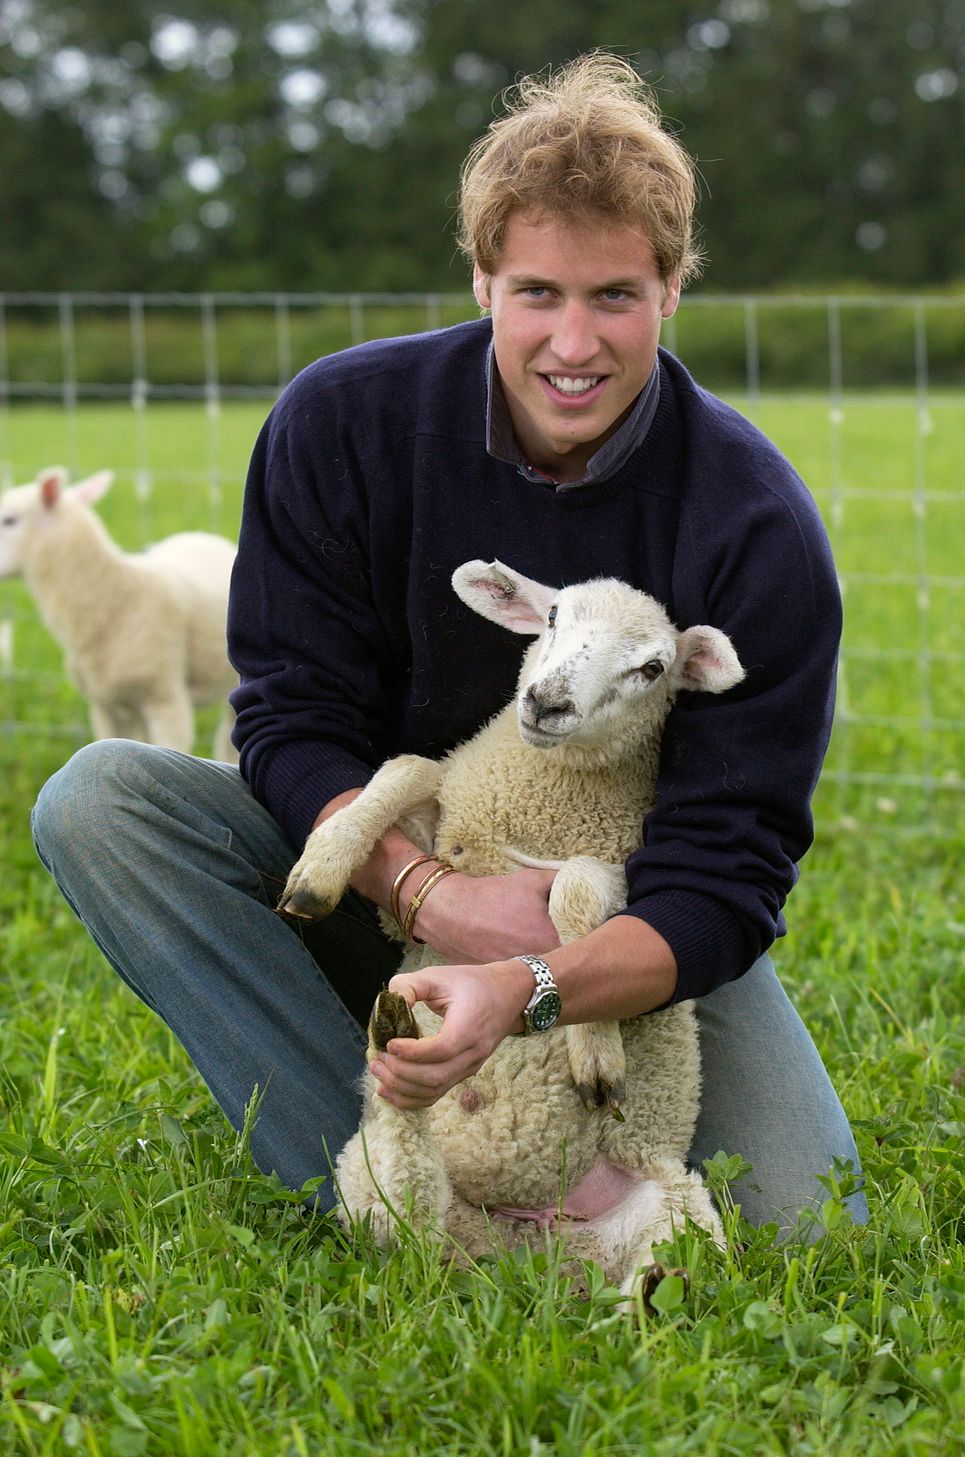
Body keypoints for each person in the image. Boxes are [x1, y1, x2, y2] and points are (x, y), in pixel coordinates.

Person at [32, 53, 866, 1231]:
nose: (572, 343)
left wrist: (534, 976)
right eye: (537, 292)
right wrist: (429, 890)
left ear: (672, 288)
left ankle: (544, 1174)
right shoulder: (339, 423)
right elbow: (289, 716)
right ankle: (389, 1186)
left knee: (806, 1218)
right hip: (383, 857)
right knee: (101, 798)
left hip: (606, 922)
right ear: (480, 279)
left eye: (614, 296)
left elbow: (726, 869)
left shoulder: (752, 527)